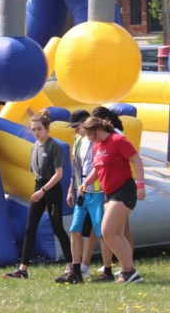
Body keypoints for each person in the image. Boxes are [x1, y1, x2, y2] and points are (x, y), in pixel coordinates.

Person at [3, 110, 73, 281]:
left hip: (51, 190)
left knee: (58, 228)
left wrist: (44, 191)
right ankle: (23, 269)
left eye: (39, 129)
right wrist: (37, 190)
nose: (36, 132)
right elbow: (35, 173)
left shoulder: (53, 146)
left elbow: (59, 174)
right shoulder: (34, 147)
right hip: (39, 187)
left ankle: (72, 267)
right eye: (33, 129)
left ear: (47, 129)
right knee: (30, 228)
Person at [81, 115, 146, 284]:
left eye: (88, 133)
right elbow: (98, 168)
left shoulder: (118, 140)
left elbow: (137, 160)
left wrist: (141, 185)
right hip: (109, 193)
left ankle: (128, 271)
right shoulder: (96, 146)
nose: (87, 137)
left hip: (124, 190)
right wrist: (86, 183)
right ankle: (129, 272)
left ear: (96, 130)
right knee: (115, 233)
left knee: (107, 231)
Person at [61, 109, 112, 284]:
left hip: (97, 192)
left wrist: (105, 192)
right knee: (75, 229)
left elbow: (102, 167)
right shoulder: (77, 142)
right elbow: (76, 167)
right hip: (81, 191)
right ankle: (76, 271)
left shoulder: (97, 142)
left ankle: (108, 270)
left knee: (101, 232)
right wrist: (71, 189)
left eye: (77, 126)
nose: (75, 129)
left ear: (85, 123)